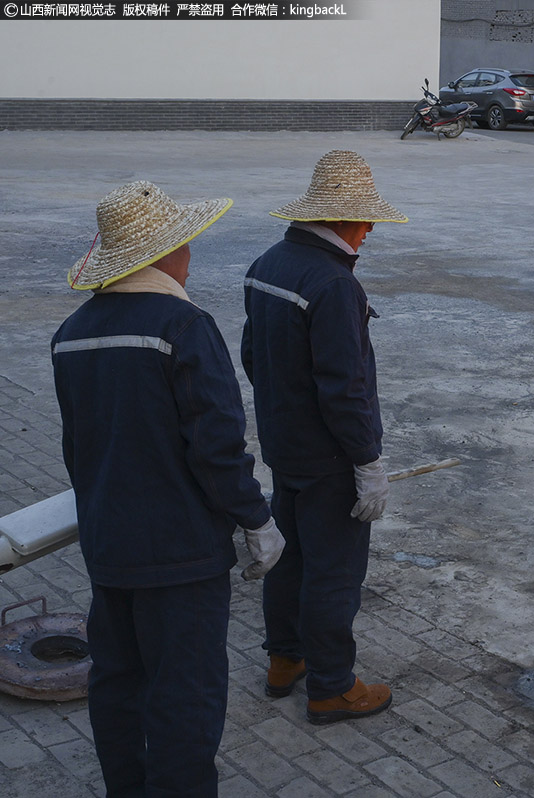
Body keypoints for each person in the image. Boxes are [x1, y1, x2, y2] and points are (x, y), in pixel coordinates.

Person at [52, 181, 284, 796]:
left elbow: (78, 449)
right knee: (184, 697)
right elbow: (216, 447)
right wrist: (255, 520)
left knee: (118, 687)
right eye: (187, 244)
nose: (191, 257)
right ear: (165, 253)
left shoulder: (71, 334)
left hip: (109, 547)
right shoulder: (184, 325)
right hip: (181, 557)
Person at [242, 150, 405, 724]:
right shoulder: (334, 285)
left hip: (285, 449)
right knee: (333, 572)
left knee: (290, 561)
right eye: (367, 224)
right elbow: (345, 387)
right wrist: (366, 461)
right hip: (330, 458)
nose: (368, 235)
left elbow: (252, 357)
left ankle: (285, 661)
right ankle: (332, 686)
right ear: (347, 220)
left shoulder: (266, 264)